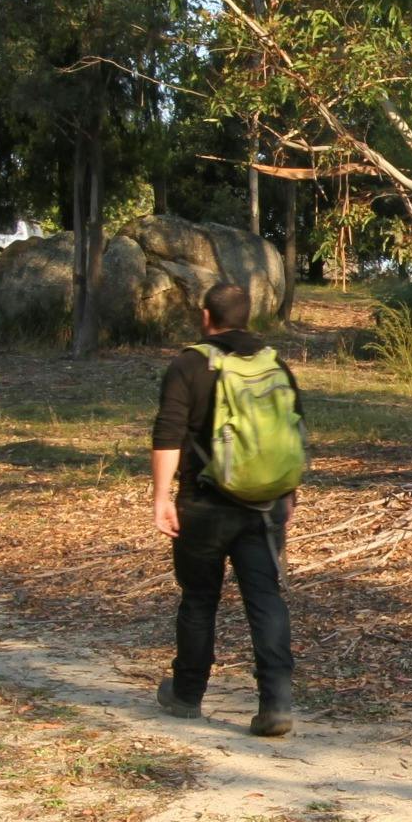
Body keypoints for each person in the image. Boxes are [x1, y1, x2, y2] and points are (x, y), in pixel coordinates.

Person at [150, 282, 299, 737]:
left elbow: (168, 432)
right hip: (263, 504)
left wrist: (161, 497)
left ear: (205, 316)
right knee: (265, 598)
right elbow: (291, 434)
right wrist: (288, 494)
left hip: (203, 503)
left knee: (199, 598)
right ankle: (276, 703)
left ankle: (187, 694)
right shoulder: (274, 364)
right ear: (249, 315)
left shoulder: (189, 364)